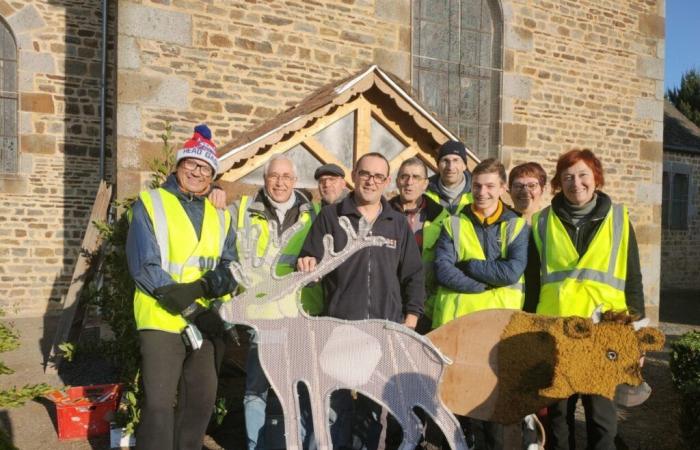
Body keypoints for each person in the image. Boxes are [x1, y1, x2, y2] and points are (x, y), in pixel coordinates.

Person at [297, 152, 425, 450]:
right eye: (365, 174)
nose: (371, 181)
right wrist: (306, 263)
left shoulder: (396, 223)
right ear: (354, 176)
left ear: (386, 182)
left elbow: (414, 276)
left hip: (382, 332)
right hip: (338, 329)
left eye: (378, 176)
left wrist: (411, 320)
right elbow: (308, 257)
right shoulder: (331, 216)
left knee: (371, 413)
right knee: (332, 408)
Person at [524, 149, 645, 450]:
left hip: (604, 335)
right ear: (558, 183)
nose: (575, 183)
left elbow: (633, 281)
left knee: (602, 419)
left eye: (582, 175)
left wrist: (637, 338)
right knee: (558, 418)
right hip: (557, 333)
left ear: (596, 179)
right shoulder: (541, 222)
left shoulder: (619, 219)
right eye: (567, 177)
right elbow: (533, 284)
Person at [126, 125, 238, 450]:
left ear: (212, 175)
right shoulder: (150, 203)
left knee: (200, 404)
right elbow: (144, 266)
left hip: (205, 323)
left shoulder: (221, 215)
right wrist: (189, 306)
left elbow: (231, 267)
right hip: (161, 319)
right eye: (190, 163)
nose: (196, 171)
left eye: (204, 167)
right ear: (178, 166)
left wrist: (207, 293)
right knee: (160, 407)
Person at [433, 158, 529, 450]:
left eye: (489, 185)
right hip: (456, 331)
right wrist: (486, 285)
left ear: (502, 188)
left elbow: (511, 271)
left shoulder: (516, 226)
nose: (482, 192)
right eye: (476, 185)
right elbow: (443, 270)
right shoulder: (453, 223)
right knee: (453, 410)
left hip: (498, 333)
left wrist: (470, 265)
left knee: (496, 413)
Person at [228, 154, 321, 450]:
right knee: (256, 389)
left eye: (286, 177)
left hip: (298, 316)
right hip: (261, 317)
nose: (280, 183)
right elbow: (220, 242)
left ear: (295, 181)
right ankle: (256, 445)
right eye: (274, 176)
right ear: (264, 178)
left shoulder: (314, 214)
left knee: (300, 388)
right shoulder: (241, 210)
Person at [388, 157, 449, 334]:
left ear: (425, 184)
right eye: (404, 176)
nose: (409, 182)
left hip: (426, 307)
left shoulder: (442, 218)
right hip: (390, 304)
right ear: (397, 181)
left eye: (416, 177)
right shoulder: (382, 215)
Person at [426, 140, 473, 214]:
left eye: (456, 160)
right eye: (445, 161)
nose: (450, 167)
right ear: (438, 165)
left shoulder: (477, 192)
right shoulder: (424, 191)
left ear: (464, 166)